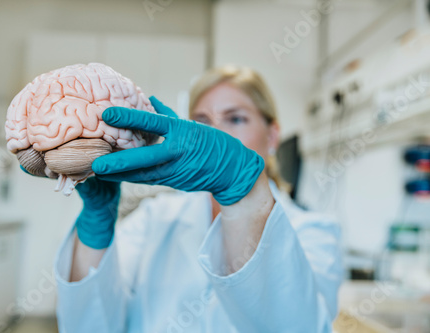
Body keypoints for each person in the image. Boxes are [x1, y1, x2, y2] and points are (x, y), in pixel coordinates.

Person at [51, 65, 343, 332]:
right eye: (202, 120)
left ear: (272, 136)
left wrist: (243, 189)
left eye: (236, 118)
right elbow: (89, 327)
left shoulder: (313, 232)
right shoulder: (156, 218)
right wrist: (96, 225)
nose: (216, 132)